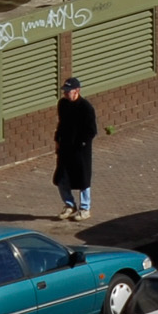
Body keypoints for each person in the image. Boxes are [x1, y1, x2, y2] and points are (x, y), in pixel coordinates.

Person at [53, 77, 99, 221]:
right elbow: (61, 123)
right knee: (61, 178)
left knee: (83, 178)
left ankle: (85, 208)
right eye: (64, 91)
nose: (66, 94)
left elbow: (91, 130)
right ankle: (69, 204)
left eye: (68, 91)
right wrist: (57, 139)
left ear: (77, 91)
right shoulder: (62, 104)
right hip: (65, 148)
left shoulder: (86, 107)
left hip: (80, 150)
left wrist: (81, 144)